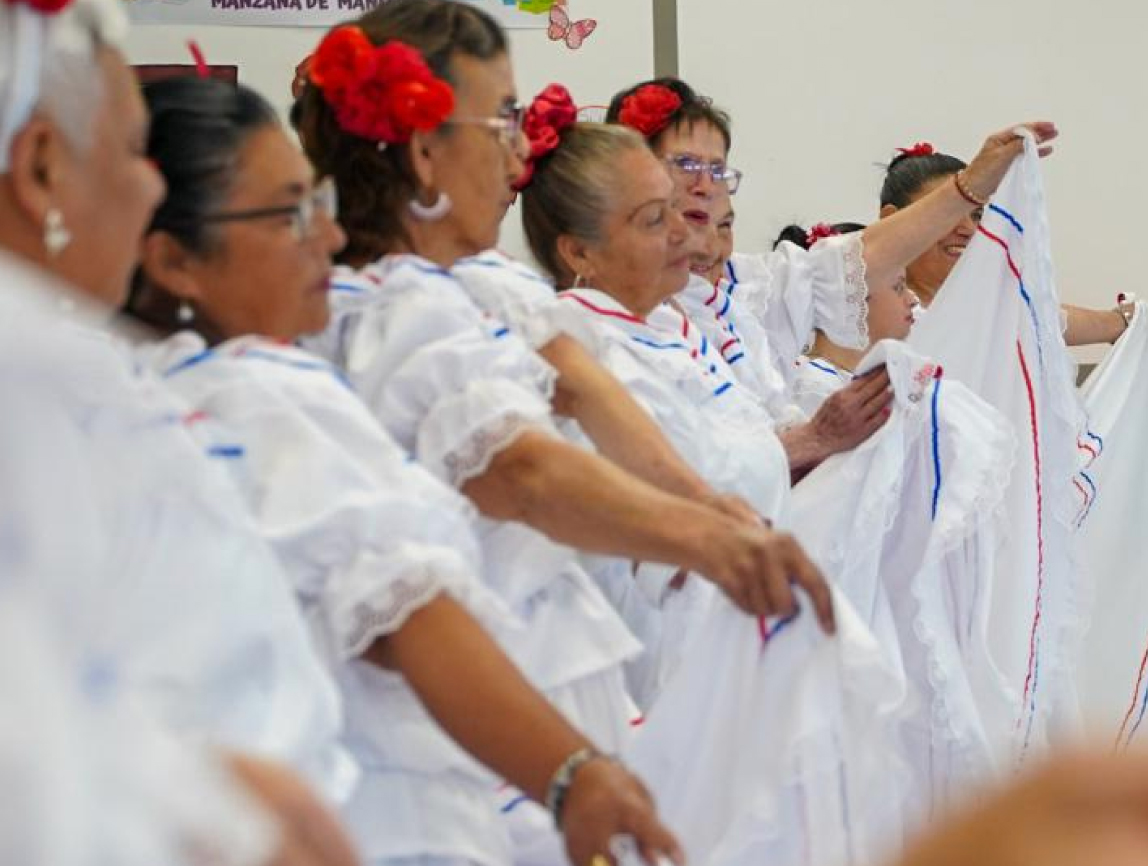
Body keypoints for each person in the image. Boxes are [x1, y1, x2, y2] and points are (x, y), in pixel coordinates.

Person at [129, 75, 680, 866]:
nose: (322, 236)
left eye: (315, 204)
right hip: (387, 824)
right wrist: (571, 775)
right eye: (287, 216)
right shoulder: (260, 393)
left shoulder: (139, 395)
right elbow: (412, 606)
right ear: (175, 261)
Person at [291, 0, 833, 633]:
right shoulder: (387, 312)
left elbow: (585, 387)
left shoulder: (492, 283)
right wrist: (704, 536)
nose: (520, 151)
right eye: (503, 119)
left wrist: (711, 508)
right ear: (425, 153)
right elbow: (521, 472)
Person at [0, 0, 363, 866]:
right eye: (130, 153)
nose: (151, 186)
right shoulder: (34, 396)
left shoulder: (81, 384)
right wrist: (207, 822)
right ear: (43, 168)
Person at [604, 76, 1056, 466]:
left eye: (718, 171)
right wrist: (813, 440)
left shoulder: (744, 293)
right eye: (685, 165)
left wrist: (973, 184)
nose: (705, 185)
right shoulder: (606, 318)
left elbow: (855, 259)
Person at [878, 143, 1133, 346]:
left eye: (977, 215)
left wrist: (1127, 321)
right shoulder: (859, 312)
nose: (968, 229)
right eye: (949, 214)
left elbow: (1046, 319)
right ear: (892, 219)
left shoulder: (988, 307)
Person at [772, 221, 919, 416]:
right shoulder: (814, 388)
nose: (912, 300)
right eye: (898, 287)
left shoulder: (860, 379)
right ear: (853, 299)